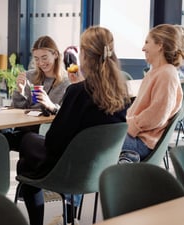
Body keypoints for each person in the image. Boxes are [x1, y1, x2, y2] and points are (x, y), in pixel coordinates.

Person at [17, 26, 131, 225]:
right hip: (99, 170)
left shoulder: (78, 92)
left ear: (84, 55)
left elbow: (54, 142)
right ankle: (70, 214)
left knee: (27, 144)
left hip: (68, 169)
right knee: (31, 149)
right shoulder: (122, 93)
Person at [119, 24, 184, 163]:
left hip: (141, 142)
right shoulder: (156, 72)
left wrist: (131, 126)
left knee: (93, 138)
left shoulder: (167, 74)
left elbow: (157, 115)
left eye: (147, 42)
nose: (143, 48)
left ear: (160, 45)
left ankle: (128, 157)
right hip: (136, 137)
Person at [4, 36, 70, 150]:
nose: (41, 63)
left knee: (16, 139)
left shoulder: (67, 82)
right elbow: (18, 109)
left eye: (44, 58)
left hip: (46, 131)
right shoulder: (30, 76)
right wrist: (20, 91)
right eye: (37, 59)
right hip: (25, 127)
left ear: (55, 54)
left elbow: (67, 115)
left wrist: (50, 105)